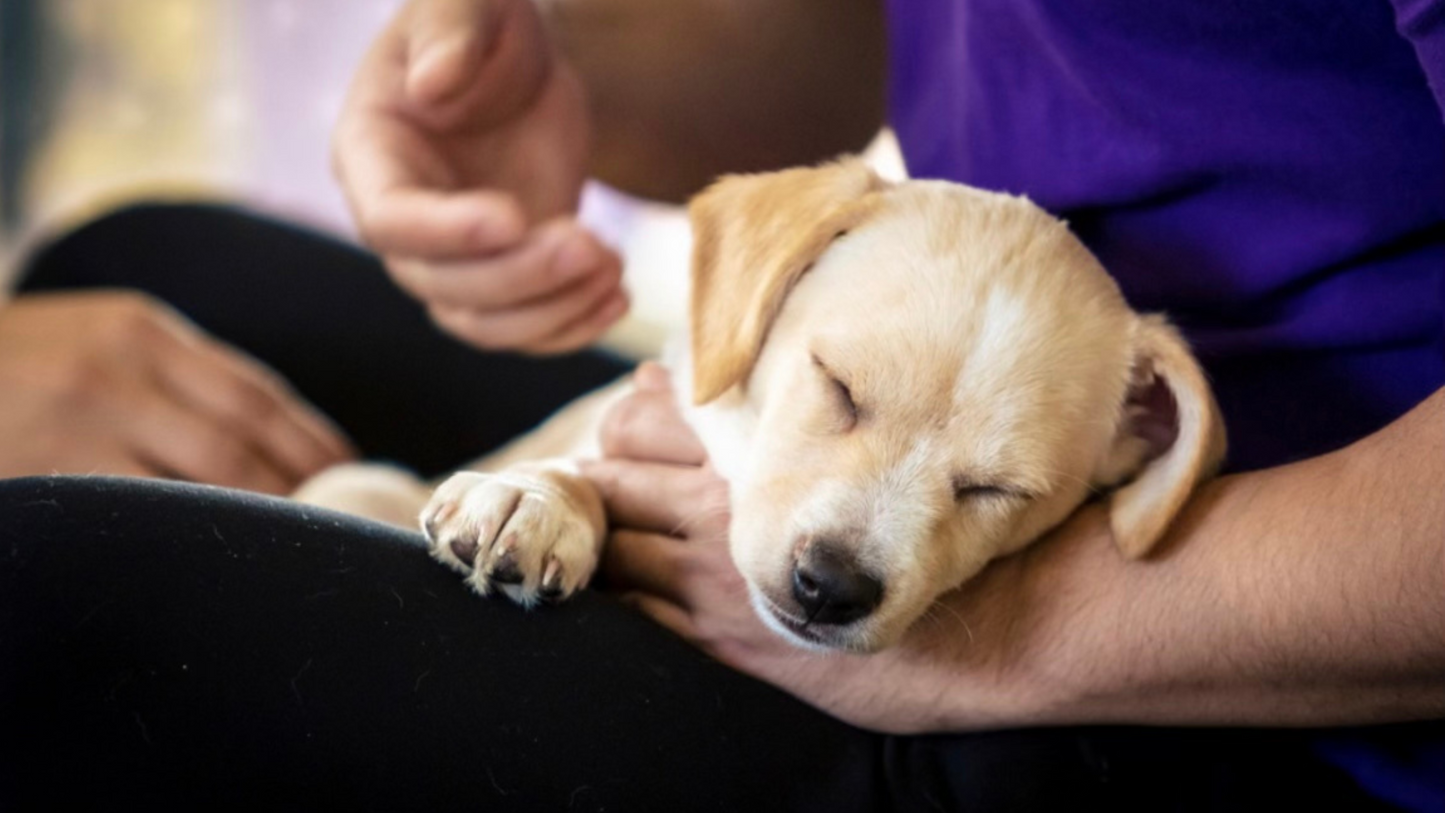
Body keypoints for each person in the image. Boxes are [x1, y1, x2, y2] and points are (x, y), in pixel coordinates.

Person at [1, 0, 1440, 810]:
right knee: (136, 262)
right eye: (834, 392)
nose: (841, 537)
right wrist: (562, 59)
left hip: (1267, 698)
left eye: (989, 487)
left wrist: (1007, 639)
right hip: (968, 355)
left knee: (42, 597)